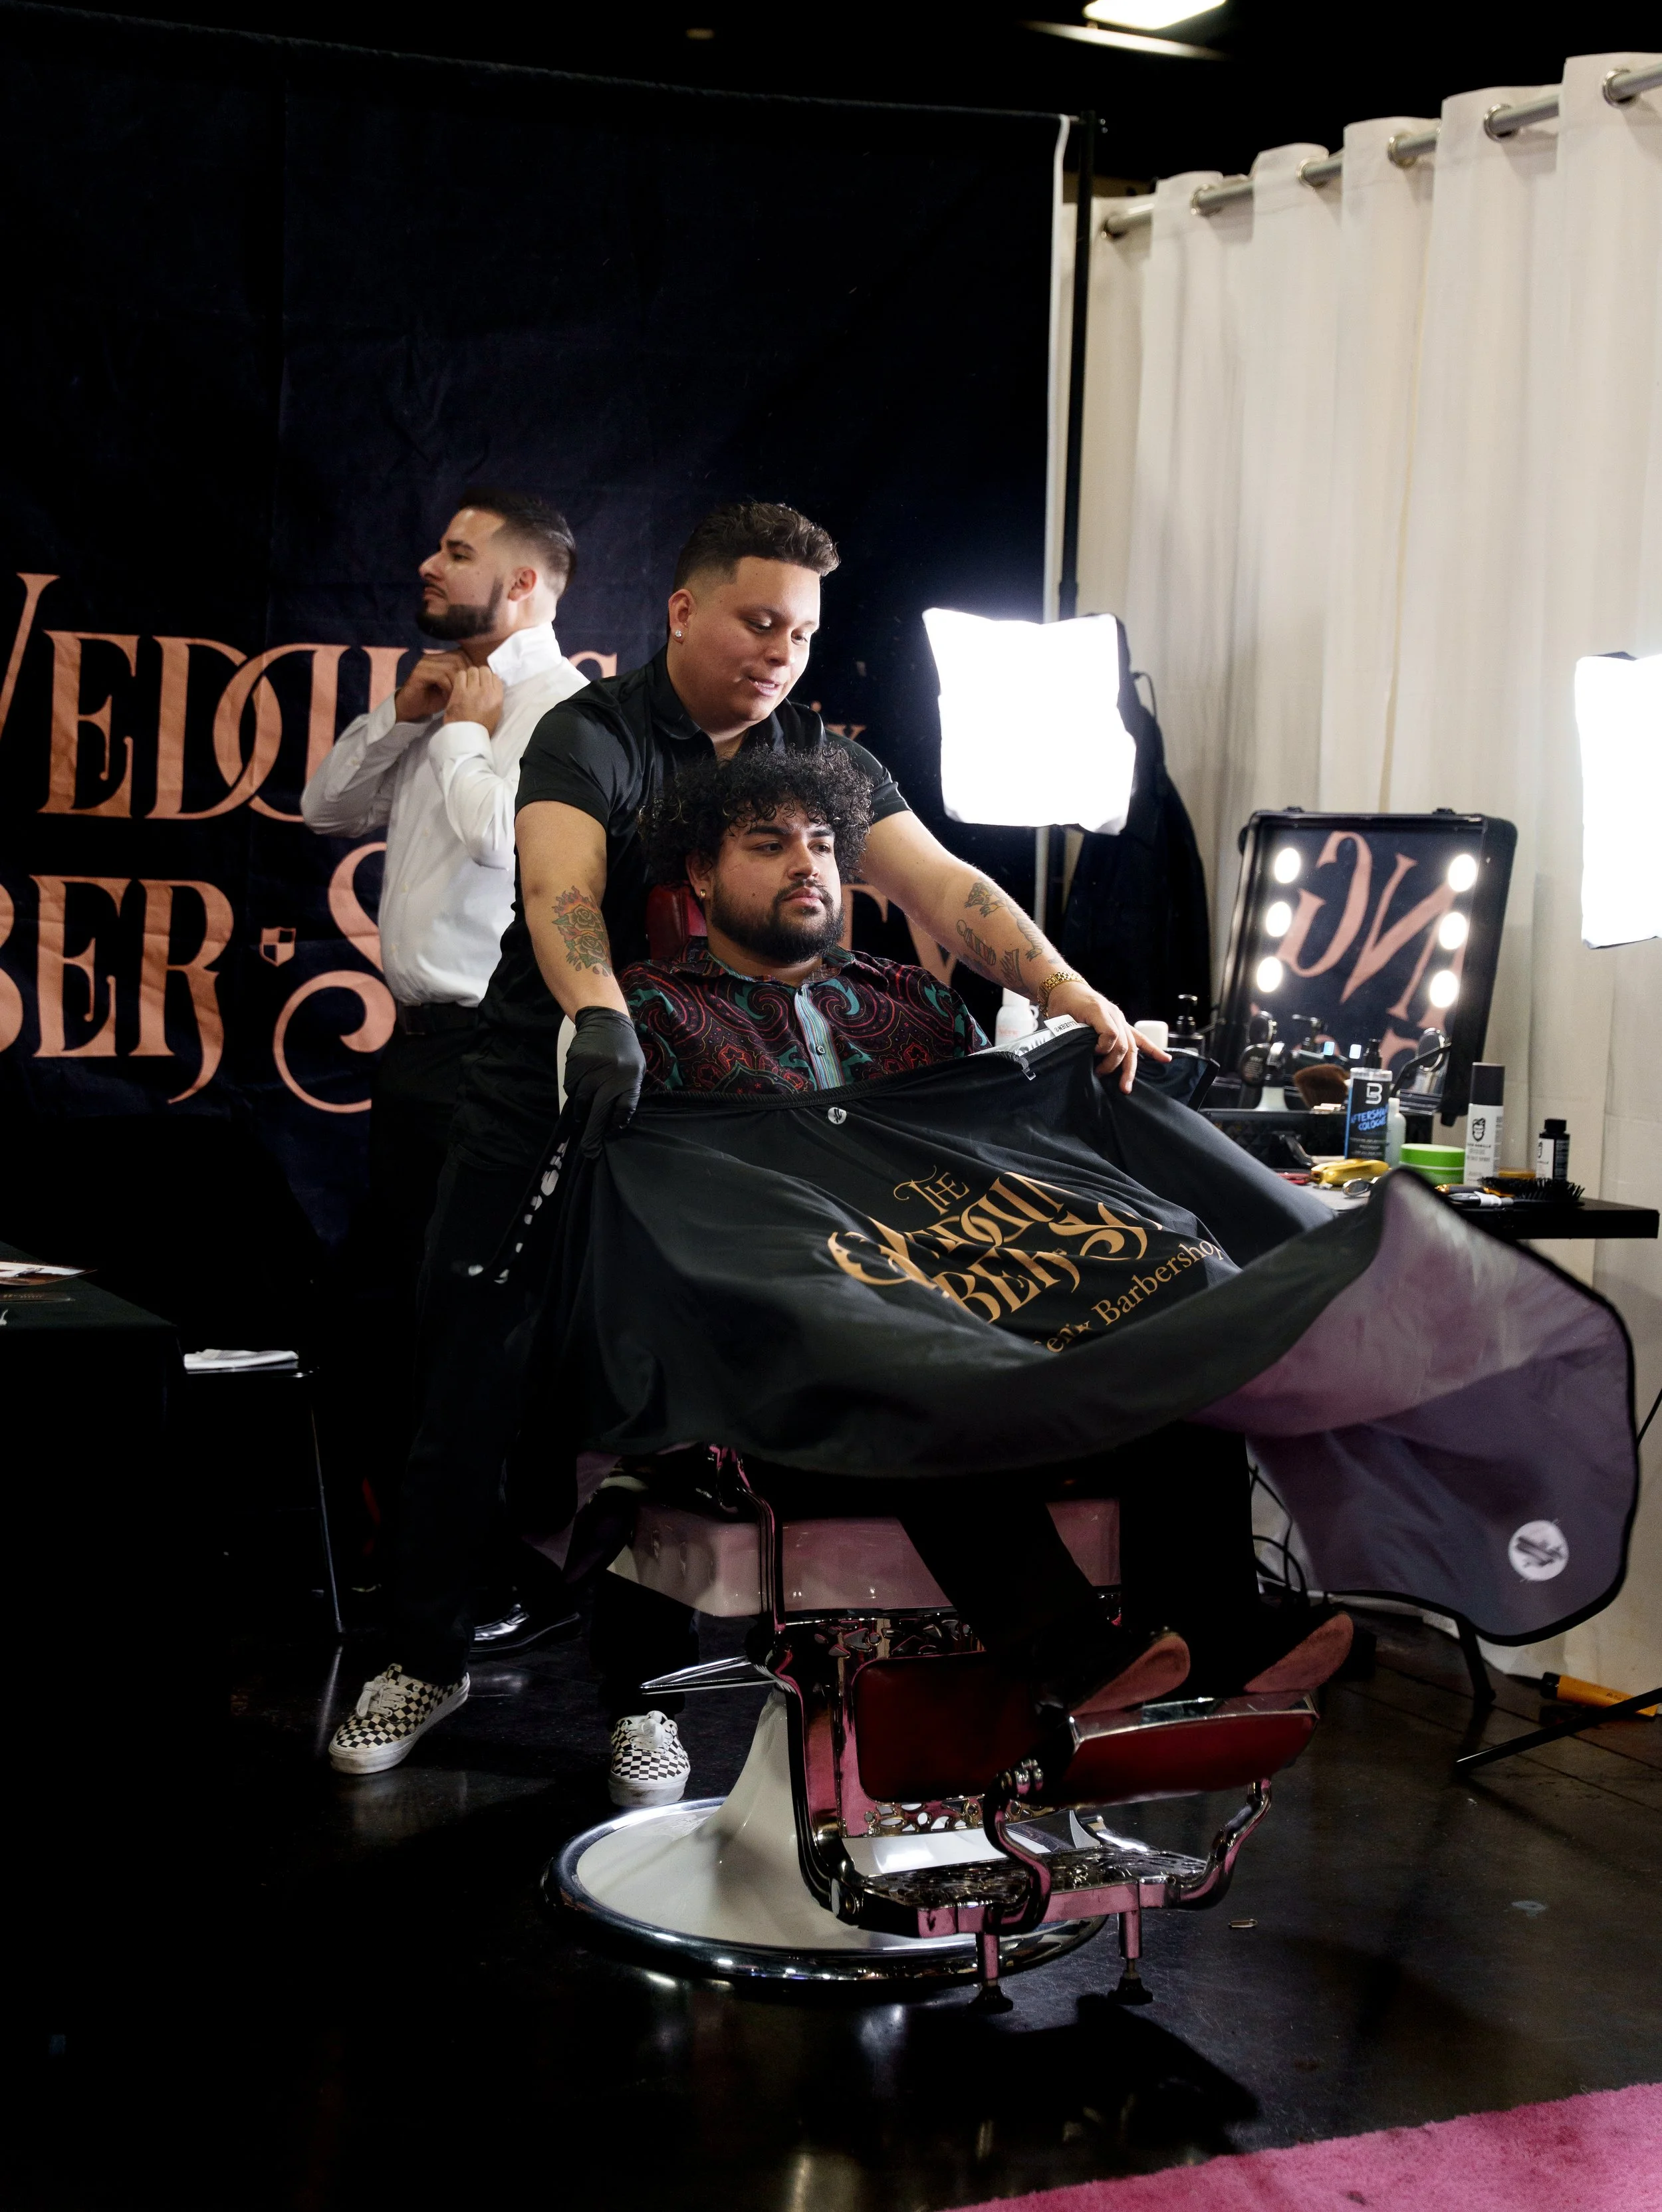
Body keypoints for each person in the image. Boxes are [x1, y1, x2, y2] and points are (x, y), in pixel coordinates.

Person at [327, 497, 1179, 1779]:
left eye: (805, 630)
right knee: (471, 1373)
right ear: (684, 611)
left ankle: (641, 1696)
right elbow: (559, 890)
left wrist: (1073, 992)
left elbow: (942, 883)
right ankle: (425, 1660)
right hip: (548, 1078)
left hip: (712, 1106)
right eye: (760, 620)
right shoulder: (593, 734)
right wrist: (600, 1014)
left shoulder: (806, 752)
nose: (783, 649)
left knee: (684, 1395)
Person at [582, 741, 1353, 1804]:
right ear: (702, 875)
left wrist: (1086, 1060)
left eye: (821, 844)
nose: (806, 866)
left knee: (1162, 1316)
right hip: (787, 1363)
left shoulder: (916, 1005)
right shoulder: (650, 1021)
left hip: (965, 1310)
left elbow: (1002, 1162)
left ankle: (1221, 1624)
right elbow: (656, 1209)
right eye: (768, 845)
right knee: (909, 1358)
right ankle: (1066, 1648)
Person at [302, 488, 590, 1652]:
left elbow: (508, 837)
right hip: (415, 1055)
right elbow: (326, 808)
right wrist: (410, 717)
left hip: (495, 1054)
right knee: (388, 1323)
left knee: (475, 1329)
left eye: (459, 552)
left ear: (523, 584)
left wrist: (469, 728)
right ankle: (425, 1558)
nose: (428, 562)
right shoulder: (450, 697)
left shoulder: (560, 706)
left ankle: (500, 1573)